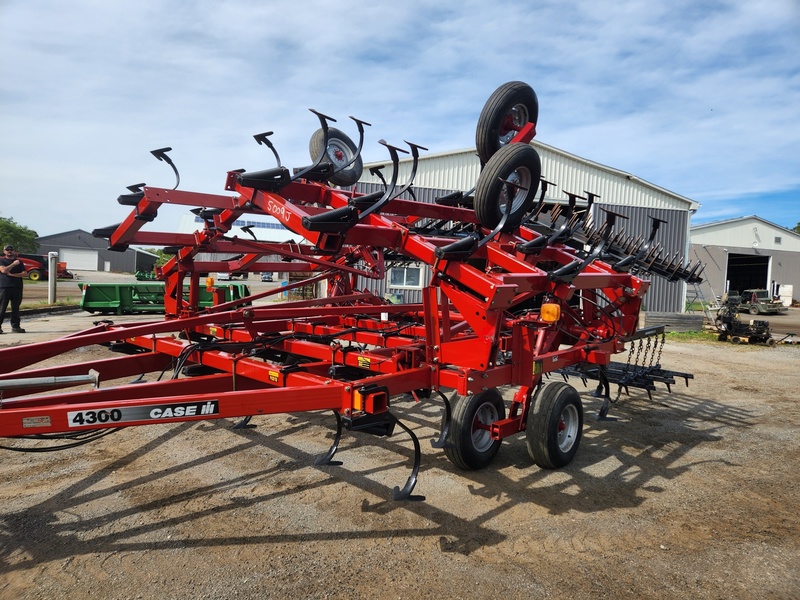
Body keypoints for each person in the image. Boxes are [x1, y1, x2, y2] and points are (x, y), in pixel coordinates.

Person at [0, 244, 26, 333]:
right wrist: (13, 264)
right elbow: (4, 270)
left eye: (11, 249)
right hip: (5, 287)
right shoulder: (2, 261)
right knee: (1, 308)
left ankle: (15, 327)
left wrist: (13, 275)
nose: (9, 251)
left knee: (16, 308)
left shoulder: (19, 262)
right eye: (7, 250)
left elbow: (24, 273)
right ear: (4, 251)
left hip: (17, 287)